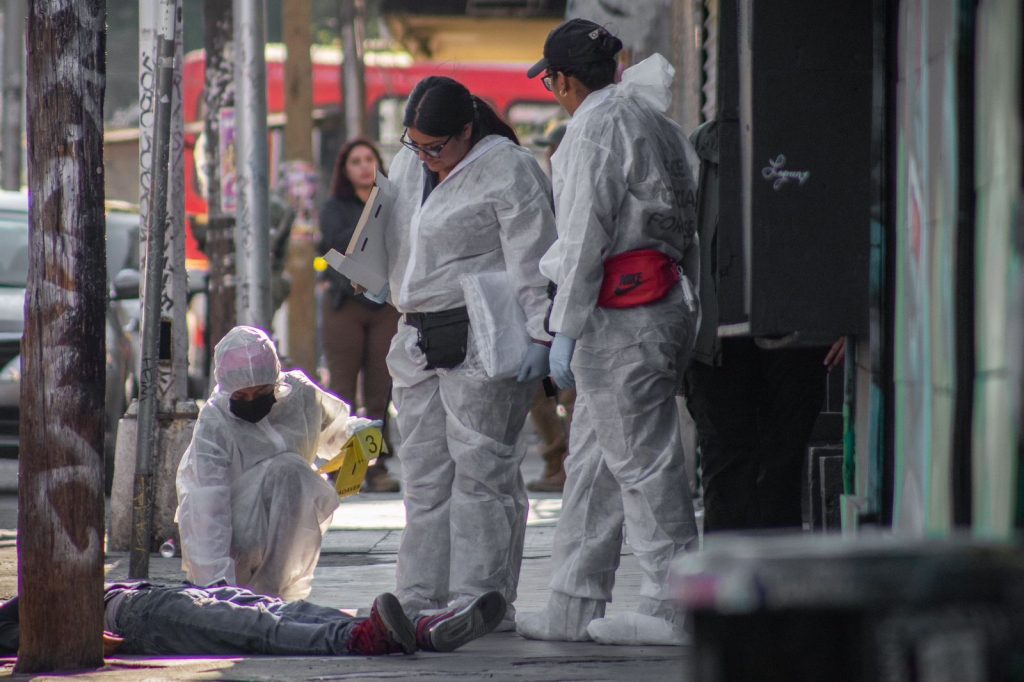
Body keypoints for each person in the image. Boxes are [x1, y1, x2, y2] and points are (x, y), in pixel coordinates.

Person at [516, 19, 701, 646]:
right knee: (594, 464)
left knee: (645, 464)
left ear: (564, 80)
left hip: (618, 317)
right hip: (658, 303)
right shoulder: (655, 120)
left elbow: (582, 241)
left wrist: (560, 330)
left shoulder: (592, 129)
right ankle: (573, 602)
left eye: (551, 82)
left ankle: (675, 606)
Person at [375, 76, 556, 629]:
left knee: (482, 474)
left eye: (437, 148)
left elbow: (535, 259)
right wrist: (376, 276)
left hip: (483, 334)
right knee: (426, 475)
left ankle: (483, 598)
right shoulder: (410, 165)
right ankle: (419, 594)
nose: (427, 158)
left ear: (467, 131)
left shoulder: (509, 169)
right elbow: (396, 234)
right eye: (416, 145)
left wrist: (543, 335)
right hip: (418, 334)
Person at [683, 119, 845, 532]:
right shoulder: (696, 153)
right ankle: (751, 585)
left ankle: (746, 584)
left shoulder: (700, 150)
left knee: (749, 469)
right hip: (739, 333)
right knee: (755, 470)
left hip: (769, 332)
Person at [176, 325, 376, 602]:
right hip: (235, 534)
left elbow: (335, 432)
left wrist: (364, 438)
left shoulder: (300, 397)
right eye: (241, 396)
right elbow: (206, 503)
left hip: (283, 529)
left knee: (292, 473)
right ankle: (252, 594)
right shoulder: (215, 421)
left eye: (261, 392)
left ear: (276, 381)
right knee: (289, 470)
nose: (252, 402)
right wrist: (215, 584)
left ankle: (274, 593)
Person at [0, 582, 506, 656]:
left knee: (281, 608)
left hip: (144, 595)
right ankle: (358, 639)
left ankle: (418, 629)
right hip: (133, 615)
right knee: (259, 628)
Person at [319, 138, 402, 494]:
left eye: (370, 159)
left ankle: (375, 466)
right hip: (345, 306)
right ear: (345, 170)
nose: (365, 166)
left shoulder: (393, 203)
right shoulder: (335, 207)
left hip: (385, 306)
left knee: (380, 391)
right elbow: (338, 243)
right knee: (342, 390)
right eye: (356, 161)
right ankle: (344, 468)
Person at [525, 120, 576, 494]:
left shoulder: (575, 187)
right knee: (537, 392)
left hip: (569, 301)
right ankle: (557, 458)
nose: (549, 155)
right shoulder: (542, 189)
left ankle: (571, 464)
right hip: (540, 304)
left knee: (571, 392)